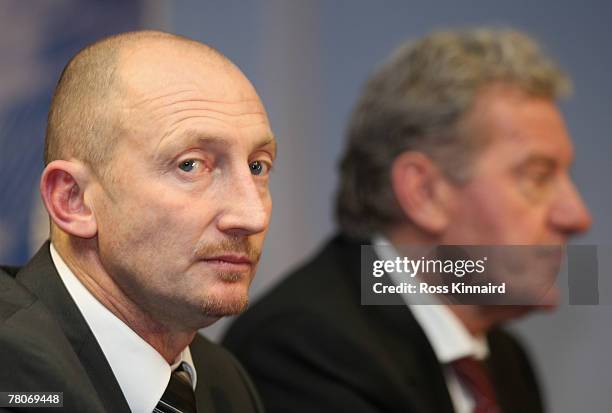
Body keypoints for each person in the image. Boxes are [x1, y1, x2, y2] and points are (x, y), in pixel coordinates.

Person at [223, 28, 591, 413]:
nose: (577, 216)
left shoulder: (506, 359)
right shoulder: (302, 349)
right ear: (425, 193)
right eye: (538, 176)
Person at [0, 30, 276, 413]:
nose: (252, 215)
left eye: (257, 166)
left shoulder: (224, 380)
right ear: (73, 201)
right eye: (191, 165)